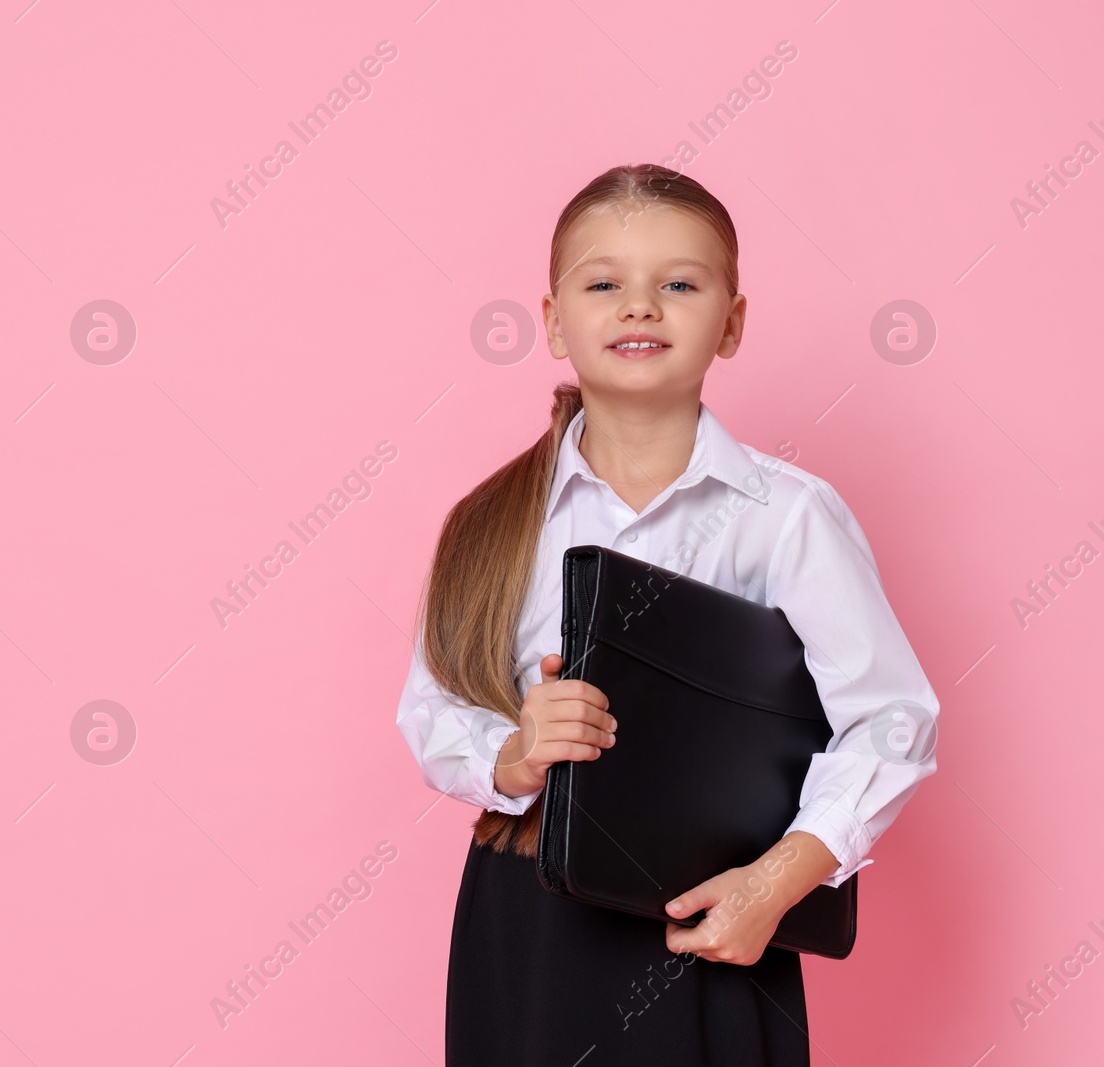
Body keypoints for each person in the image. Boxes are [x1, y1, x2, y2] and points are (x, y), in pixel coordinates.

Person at [394, 163, 941, 1066]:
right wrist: (514, 752)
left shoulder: (788, 514)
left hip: (718, 913)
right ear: (551, 317)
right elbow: (430, 710)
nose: (639, 306)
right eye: (604, 282)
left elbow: (892, 718)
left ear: (730, 323)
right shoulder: (490, 523)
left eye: (679, 284)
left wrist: (779, 881)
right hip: (528, 917)